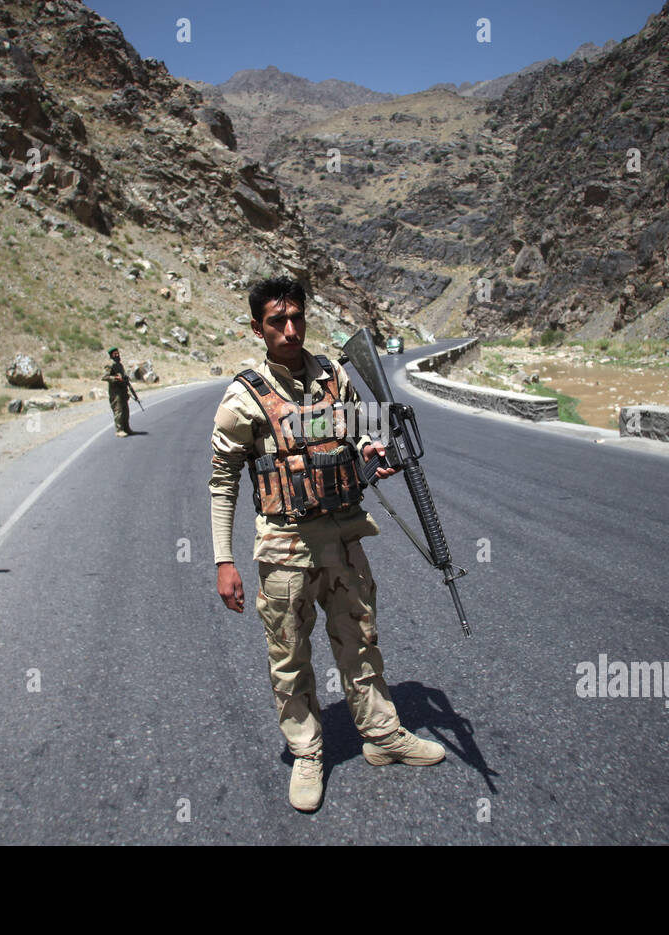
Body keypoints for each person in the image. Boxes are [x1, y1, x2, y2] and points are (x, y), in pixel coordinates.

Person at [209, 276, 443, 812]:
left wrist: (369, 448)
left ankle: (383, 736)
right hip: (284, 548)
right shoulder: (242, 398)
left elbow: (361, 427)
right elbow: (222, 483)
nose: (290, 330)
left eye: (297, 319)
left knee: (361, 638)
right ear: (257, 328)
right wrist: (224, 560)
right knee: (289, 657)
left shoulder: (335, 375)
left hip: (344, 539)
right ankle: (307, 752)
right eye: (276, 322)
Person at [103, 347, 132, 437]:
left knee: (126, 411)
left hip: (123, 391)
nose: (117, 355)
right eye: (115, 354)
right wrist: (116, 378)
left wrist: (125, 379)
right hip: (115, 393)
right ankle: (119, 430)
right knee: (118, 411)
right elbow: (105, 377)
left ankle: (126, 428)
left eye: (118, 353)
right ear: (111, 355)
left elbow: (123, 376)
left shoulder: (119, 365)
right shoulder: (109, 365)